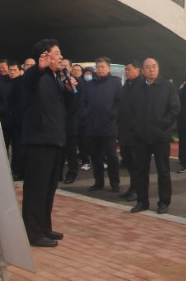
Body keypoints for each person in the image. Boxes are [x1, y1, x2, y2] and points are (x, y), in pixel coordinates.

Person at [20, 38, 78, 247]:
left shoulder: (57, 79)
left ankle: (44, 227)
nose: (61, 57)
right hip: (39, 142)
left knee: (48, 188)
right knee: (36, 189)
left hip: (55, 141)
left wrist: (70, 92)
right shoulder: (36, 76)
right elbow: (28, 81)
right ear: (44, 56)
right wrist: (39, 68)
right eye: (57, 53)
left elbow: (67, 111)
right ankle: (33, 233)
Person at [130, 58, 180, 215]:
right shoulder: (137, 87)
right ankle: (142, 201)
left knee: (163, 171)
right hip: (141, 136)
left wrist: (162, 125)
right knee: (141, 171)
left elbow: (175, 109)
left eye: (154, 66)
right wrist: (136, 126)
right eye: (148, 67)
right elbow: (131, 109)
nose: (152, 69)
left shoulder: (167, 86)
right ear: (142, 71)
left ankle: (164, 202)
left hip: (160, 136)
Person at [80, 57, 122, 193]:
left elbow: (119, 102)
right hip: (92, 126)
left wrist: (112, 114)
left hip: (108, 126)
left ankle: (115, 183)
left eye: (102, 67)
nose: (100, 69)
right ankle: (98, 182)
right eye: (98, 67)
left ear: (108, 68)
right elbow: (83, 102)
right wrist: (86, 114)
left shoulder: (115, 83)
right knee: (95, 156)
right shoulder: (90, 84)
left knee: (112, 156)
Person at [116, 60, 143, 201]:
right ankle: (132, 188)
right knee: (129, 162)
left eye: (129, 69)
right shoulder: (127, 85)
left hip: (135, 132)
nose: (126, 72)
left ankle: (137, 190)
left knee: (136, 163)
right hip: (124, 131)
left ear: (138, 70)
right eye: (125, 70)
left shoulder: (142, 86)